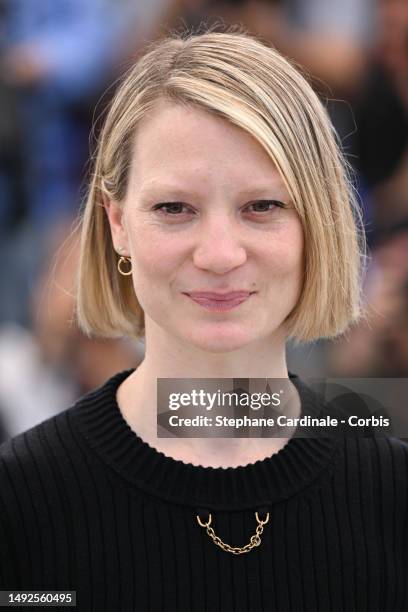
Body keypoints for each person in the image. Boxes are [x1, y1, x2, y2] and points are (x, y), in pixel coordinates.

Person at [0, 28, 407, 611]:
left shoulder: (393, 497)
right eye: (174, 208)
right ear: (118, 224)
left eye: (262, 206)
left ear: (316, 221)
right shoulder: (20, 503)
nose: (219, 254)